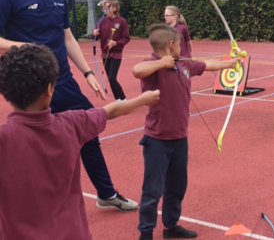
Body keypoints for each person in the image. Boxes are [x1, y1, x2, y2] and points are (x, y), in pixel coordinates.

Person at [0, 0, 137, 212]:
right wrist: (28, 48)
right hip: (31, 85)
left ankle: (106, 194)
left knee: (87, 131)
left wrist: (86, 72)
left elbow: (68, 38)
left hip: (63, 81)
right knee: (34, 144)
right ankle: (30, 205)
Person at [0, 44, 160, 240]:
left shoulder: (4, 137)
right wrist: (143, 99)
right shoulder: (73, 123)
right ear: (50, 90)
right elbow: (110, 111)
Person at [132, 24, 240, 240]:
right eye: (180, 44)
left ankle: (171, 226)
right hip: (157, 140)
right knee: (153, 191)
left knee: (177, 185)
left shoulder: (184, 64)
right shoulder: (152, 67)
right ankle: (145, 233)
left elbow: (207, 64)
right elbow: (137, 71)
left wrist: (231, 63)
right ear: (171, 45)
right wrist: (161, 63)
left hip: (180, 139)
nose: (182, 47)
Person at [92, 0, 130, 101]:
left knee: (112, 78)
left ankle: (123, 99)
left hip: (116, 53)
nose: (105, 11)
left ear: (115, 8)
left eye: (108, 8)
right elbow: (96, 36)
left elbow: (126, 38)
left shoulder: (121, 21)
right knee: (110, 79)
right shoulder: (101, 21)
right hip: (105, 54)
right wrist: (94, 33)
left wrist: (116, 43)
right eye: (104, 9)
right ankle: (118, 100)